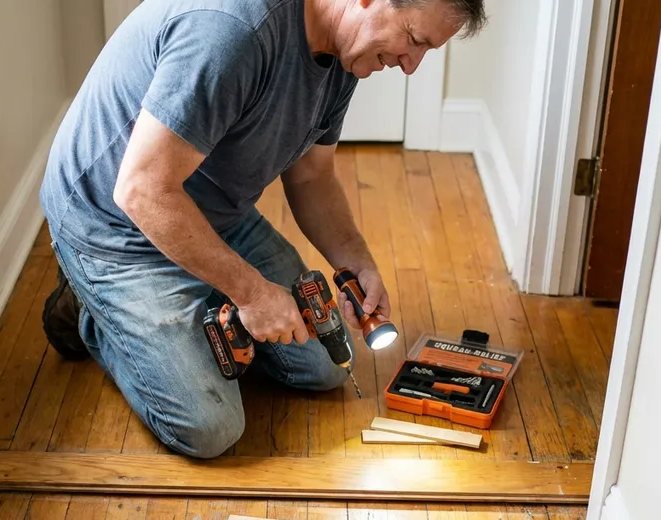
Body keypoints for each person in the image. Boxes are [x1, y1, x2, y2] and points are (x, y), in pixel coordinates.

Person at [38, 0, 487, 458]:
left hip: (209, 210)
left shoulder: (344, 53)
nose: (411, 66)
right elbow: (141, 191)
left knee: (326, 366)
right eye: (413, 40)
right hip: (116, 227)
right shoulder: (230, 33)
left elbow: (312, 177)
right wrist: (251, 293)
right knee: (211, 428)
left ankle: (201, 292)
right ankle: (93, 312)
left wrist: (358, 262)